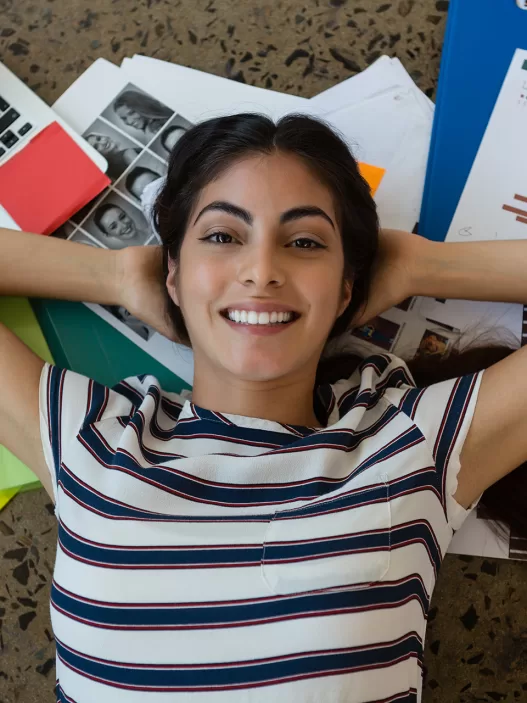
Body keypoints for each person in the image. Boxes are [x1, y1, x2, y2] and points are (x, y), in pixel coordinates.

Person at [1, 113, 526, 703]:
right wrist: (119, 273)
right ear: (173, 271)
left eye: (304, 242)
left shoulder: (411, 443)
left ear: (346, 287)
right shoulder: (91, 441)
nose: (262, 272)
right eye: (223, 236)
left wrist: (420, 266)